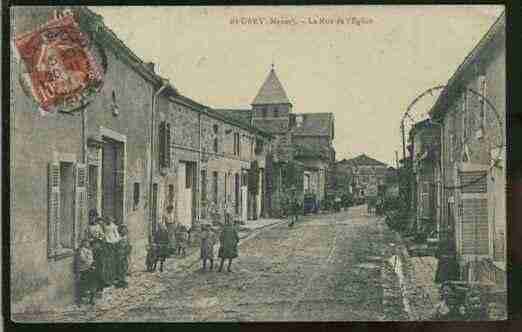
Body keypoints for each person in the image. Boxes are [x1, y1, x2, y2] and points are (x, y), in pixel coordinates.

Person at [85, 211, 105, 297]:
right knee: (91, 268)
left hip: (99, 248)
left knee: (99, 268)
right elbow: (86, 238)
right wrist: (91, 240)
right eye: (91, 217)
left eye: (94, 217)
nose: (92, 218)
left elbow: (103, 235)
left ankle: (99, 289)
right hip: (91, 249)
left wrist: (99, 238)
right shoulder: (87, 227)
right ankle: (91, 288)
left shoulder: (98, 226)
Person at [76, 239, 96, 305]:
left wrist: (92, 264)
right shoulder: (81, 250)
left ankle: (91, 299)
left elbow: (91, 259)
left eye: (88, 243)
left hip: (89, 268)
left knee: (92, 283)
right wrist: (90, 265)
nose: (87, 244)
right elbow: (83, 259)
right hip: (84, 269)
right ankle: (80, 300)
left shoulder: (89, 250)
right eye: (86, 243)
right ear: (83, 243)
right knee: (84, 284)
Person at [102, 217, 121, 286]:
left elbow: (117, 235)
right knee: (107, 263)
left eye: (109, 220)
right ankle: (107, 279)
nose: (108, 221)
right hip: (107, 242)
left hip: (113, 242)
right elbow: (103, 233)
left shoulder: (113, 226)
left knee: (112, 262)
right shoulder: (104, 226)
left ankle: (113, 278)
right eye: (107, 220)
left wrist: (116, 241)